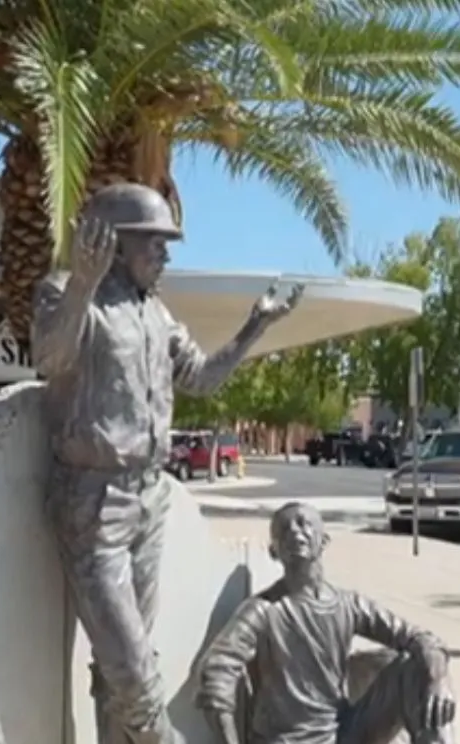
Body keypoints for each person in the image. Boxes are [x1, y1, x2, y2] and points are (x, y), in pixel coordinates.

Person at [31, 183, 304, 744]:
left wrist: (256, 325)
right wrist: (83, 279)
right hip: (93, 508)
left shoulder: (156, 313)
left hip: (148, 500)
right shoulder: (64, 292)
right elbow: (49, 358)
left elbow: (201, 377)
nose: (166, 256)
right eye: (155, 243)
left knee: (119, 674)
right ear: (112, 242)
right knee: (136, 678)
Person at [195, 502, 457, 744]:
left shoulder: (349, 604)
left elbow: (421, 639)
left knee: (417, 668)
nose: (295, 531)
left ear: (323, 541)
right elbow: (215, 671)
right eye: (283, 529)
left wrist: (438, 680)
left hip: (342, 733)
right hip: (285, 740)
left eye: (303, 523)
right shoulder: (262, 611)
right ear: (274, 551)